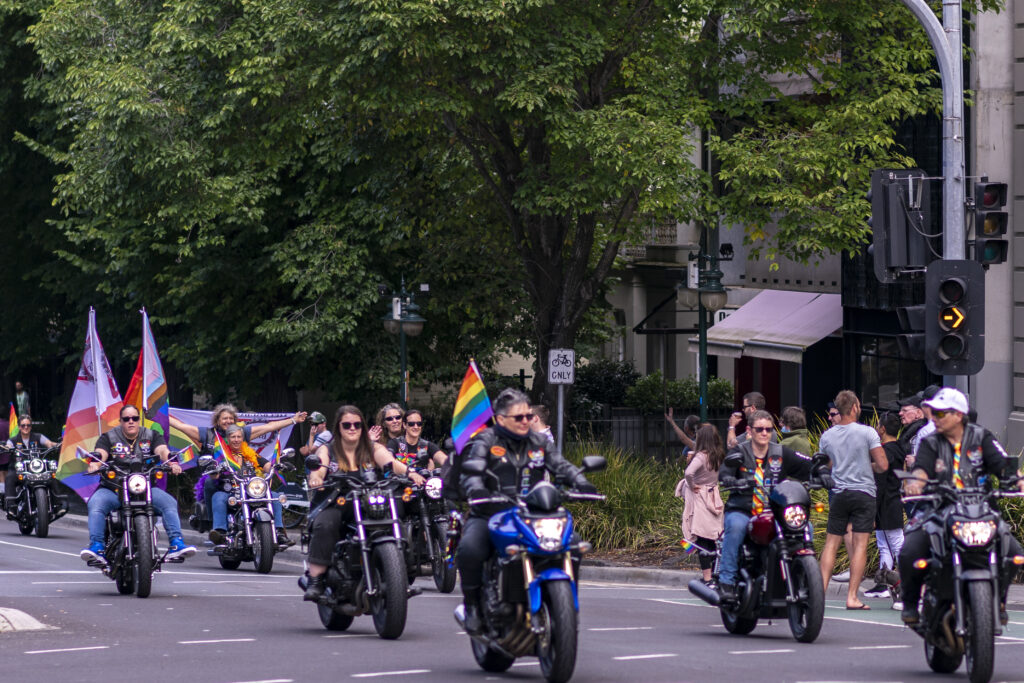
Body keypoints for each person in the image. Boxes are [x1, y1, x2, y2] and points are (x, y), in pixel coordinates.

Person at [456, 388, 596, 633]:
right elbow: (472, 470)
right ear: (500, 419)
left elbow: (560, 465)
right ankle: (473, 608)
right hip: (491, 513)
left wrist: (580, 481)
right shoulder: (485, 440)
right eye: (519, 417)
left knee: (573, 544)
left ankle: (563, 605)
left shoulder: (539, 442)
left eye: (529, 416)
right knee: (470, 549)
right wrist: (476, 489)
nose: (526, 421)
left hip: (534, 514)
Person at [899, 387, 1024, 625]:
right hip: (938, 509)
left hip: (981, 510)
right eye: (933, 412)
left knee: (1014, 553)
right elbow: (921, 468)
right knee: (910, 551)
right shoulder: (930, 442)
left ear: (958, 415)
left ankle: (999, 600)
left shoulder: (982, 437)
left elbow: (1002, 463)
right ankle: (910, 604)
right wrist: (915, 482)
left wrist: (1018, 480)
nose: (934, 417)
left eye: (940, 413)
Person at [302, 405, 425, 601]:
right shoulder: (329, 449)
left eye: (357, 424)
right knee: (326, 524)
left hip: (367, 499)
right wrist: (317, 477)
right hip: (338, 499)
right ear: (339, 428)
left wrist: (411, 473)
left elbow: (391, 462)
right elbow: (321, 464)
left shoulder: (372, 448)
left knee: (395, 520)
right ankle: (315, 580)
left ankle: (402, 574)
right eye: (347, 424)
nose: (352, 428)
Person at [716, 410, 817, 602]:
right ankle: (727, 582)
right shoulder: (739, 451)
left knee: (806, 527)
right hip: (743, 509)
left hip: (774, 512)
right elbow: (725, 472)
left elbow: (807, 465)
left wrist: (822, 473)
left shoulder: (780, 453)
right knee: (736, 527)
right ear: (749, 430)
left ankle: (804, 574)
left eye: (768, 430)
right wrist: (731, 480)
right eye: (759, 429)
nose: (764, 433)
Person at [80, 405, 197, 564]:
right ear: (120, 421)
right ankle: (97, 546)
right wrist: (95, 463)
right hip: (114, 488)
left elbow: (162, 450)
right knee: (96, 504)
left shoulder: (151, 435)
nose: (131, 422)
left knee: (169, 503)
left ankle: (176, 543)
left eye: (134, 418)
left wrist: (171, 461)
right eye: (126, 419)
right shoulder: (109, 437)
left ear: (138, 420)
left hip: (145, 488)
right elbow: (101, 453)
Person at [816, 390, 888, 610]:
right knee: (859, 545)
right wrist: (866, 465)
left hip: (838, 492)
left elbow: (825, 467)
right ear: (855, 407)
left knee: (831, 543)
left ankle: (819, 594)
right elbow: (883, 465)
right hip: (864, 493)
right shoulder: (868, 433)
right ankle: (852, 597)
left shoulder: (827, 436)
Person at [206, 424, 294, 548]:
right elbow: (214, 476)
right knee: (218, 497)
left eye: (239, 437)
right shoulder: (222, 456)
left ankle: (279, 532)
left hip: (251, 491)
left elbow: (267, 466)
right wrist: (214, 471)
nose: (236, 439)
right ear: (228, 439)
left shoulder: (249, 454)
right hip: (230, 491)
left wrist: (279, 466)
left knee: (275, 496)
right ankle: (220, 533)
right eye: (233, 437)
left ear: (242, 439)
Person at [861, 411, 905, 601]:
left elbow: (879, 485)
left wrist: (872, 512)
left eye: (879, 426)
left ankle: (905, 583)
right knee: (887, 545)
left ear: (883, 429)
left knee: (894, 545)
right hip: (893, 502)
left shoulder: (885, 453)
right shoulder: (899, 449)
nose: (877, 428)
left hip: (886, 505)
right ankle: (884, 584)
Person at [675, 424, 724, 586]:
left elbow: (689, 473)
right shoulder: (717, 455)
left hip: (699, 497)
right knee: (712, 538)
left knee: (699, 538)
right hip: (713, 495)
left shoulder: (701, 456)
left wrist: (692, 483)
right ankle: (716, 574)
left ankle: (707, 578)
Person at [169, 403, 308, 455]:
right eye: (224, 419)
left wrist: (293, 420)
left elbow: (269, 427)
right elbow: (180, 426)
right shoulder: (207, 433)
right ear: (217, 421)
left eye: (231, 419)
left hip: (238, 477)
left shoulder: (242, 433)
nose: (228, 421)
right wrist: (158, 415)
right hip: (215, 478)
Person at [4, 415, 57, 510]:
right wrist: (7, 448)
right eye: (23, 425)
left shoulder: (38, 436)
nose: (26, 427)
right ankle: (11, 506)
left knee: (51, 475)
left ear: (31, 426)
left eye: (28, 425)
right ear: (19, 427)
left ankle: (58, 504)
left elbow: (49, 443)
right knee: (9, 477)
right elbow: (8, 445)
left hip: (36, 469)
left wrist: (56, 445)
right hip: (19, 470)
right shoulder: (13, 440)